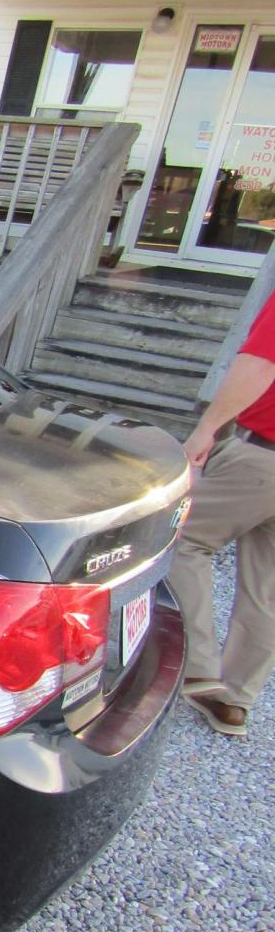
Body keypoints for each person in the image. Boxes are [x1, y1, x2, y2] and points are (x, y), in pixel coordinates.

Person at [166, 290, 275, 737]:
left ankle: (197, 667)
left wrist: (206, 429)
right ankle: (232, 700)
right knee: (267, 588)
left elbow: (260, 364)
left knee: (180, 537)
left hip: (263, 458)